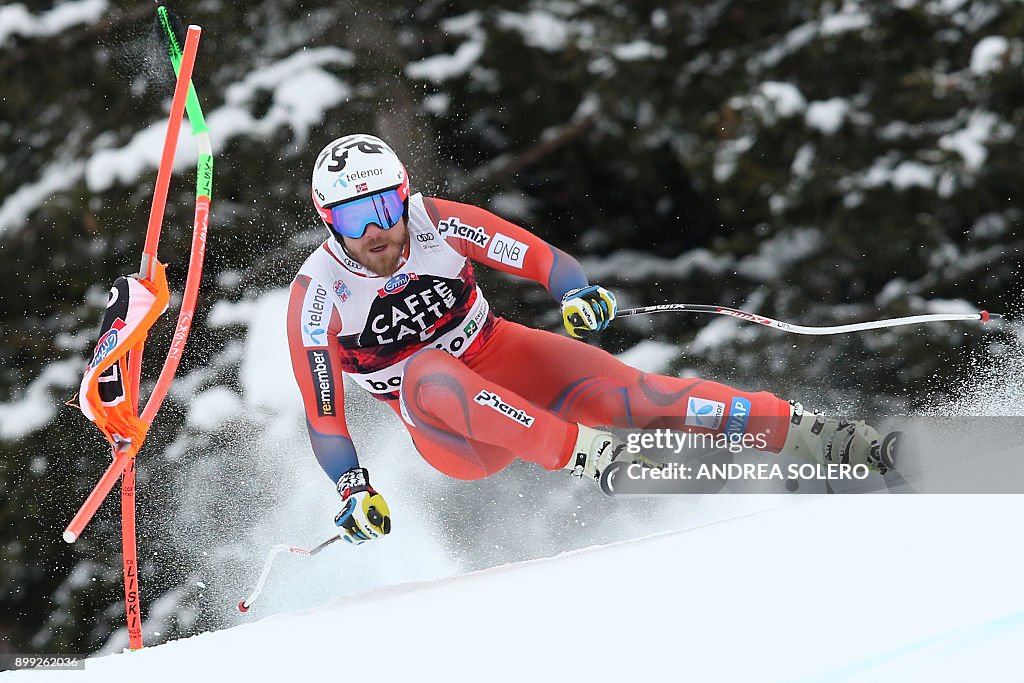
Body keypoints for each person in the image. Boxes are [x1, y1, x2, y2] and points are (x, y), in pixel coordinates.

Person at [286, 133, 895, 544]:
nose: (376, 231)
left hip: (502, 355)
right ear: (326, 218)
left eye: (384, 207)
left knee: (641, 396)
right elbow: (325, 414)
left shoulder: (434, 221)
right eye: (351, 216)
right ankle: (592, 454)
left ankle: (822, 439)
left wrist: (575, 293)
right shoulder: (317, 297)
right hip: (457, 432)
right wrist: (353, 486)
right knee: (424, 370)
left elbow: (541, 258)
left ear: (403, 195)